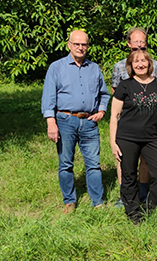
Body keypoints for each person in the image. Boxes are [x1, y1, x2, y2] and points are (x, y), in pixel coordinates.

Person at [41, 30, 109, 213]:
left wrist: (102, 110)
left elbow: (104, 94)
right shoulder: (56, 67)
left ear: (88, 46)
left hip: (89, 122)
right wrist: (51, 122)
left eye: (84, 44)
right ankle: (69, 201)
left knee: (93, 164)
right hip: (65, 120)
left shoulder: (94, 68)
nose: (81, 47)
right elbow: (48, 97)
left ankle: (98, 202)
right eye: (77, 44)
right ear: (69, 45)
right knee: (65, 163)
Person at [109, 49, 157, 224]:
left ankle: (152, 208)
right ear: (130, 65)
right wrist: (113, 142)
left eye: (143, 61)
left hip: (152, 137)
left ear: (149, 64)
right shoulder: (124, 85)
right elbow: (114, 116)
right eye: (136, 62)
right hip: (127, 137)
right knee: (128, 175)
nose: (140, 64)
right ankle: (133, 213)